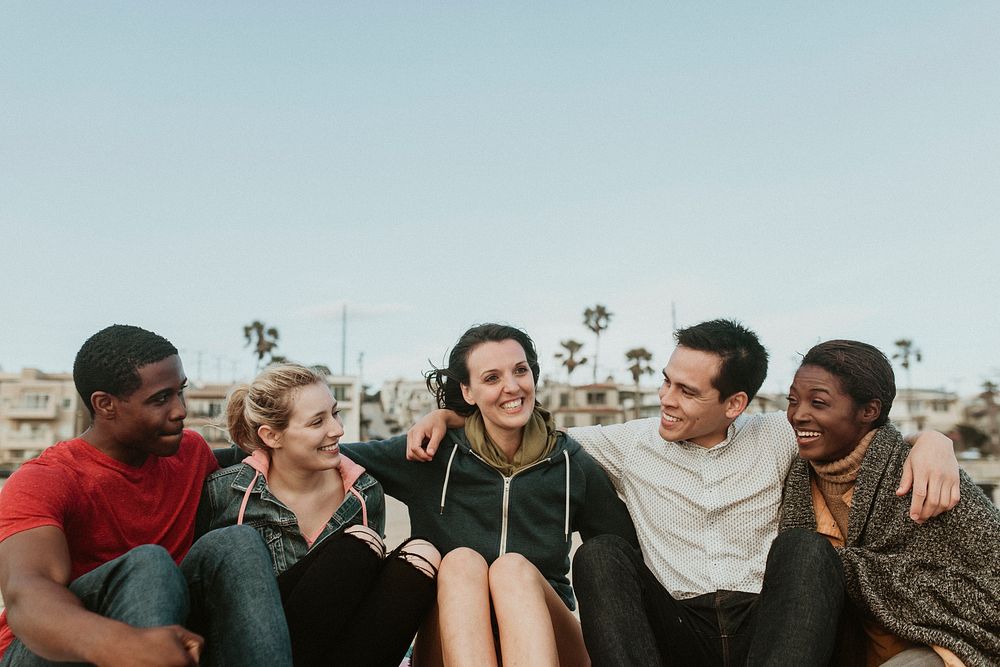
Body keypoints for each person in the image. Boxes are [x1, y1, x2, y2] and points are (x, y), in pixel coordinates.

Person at [408, 319, 961, 666]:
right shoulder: (628, 442)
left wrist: (932, 440)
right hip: (676, 629)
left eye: (686, 391)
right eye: (667, 380)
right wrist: (449, 413)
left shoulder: (777, 435)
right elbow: (519, 424)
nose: (666, 398)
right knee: (601, 554)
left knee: (807, 549)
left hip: (766, 630)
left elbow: (858, 434)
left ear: (735, 403)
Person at [337, 323, 638, 666]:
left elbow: (623, 556)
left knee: (511, 570)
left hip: (546, 642)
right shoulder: (431, 452)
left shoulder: (571, 463)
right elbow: (329, 453)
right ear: (467, 391)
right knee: (460, 562)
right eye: (492, 378)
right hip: (450, 642)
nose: (512, 387)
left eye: (520, 371)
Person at [0, 324, 291, 666]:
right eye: (160, 399)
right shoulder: (46, 479)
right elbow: (26, 595)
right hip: (51, 651)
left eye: (181, 391)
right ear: (105, 404)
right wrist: (120, 644)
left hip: (167, 631)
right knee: (149, 564)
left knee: (236, 543)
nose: (180, 410)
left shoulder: (191, 453)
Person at [197, 363, 440, 667]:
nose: (337, 429)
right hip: (251, 649)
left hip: (336, 651)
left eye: (335, 413)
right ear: (272, 436)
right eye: (317, 422)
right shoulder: (223, 493)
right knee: (359, 543)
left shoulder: (365, 494)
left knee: (421, 555)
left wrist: (445, 415)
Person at [780, 340, 1000, 667]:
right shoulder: (790, 464)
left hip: (932, 648)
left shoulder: (923, 473)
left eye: (818, 403)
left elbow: (991, 590)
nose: (798, 415)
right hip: (837, 649)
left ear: (869, 411)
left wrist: (845, 569)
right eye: (793, 401)